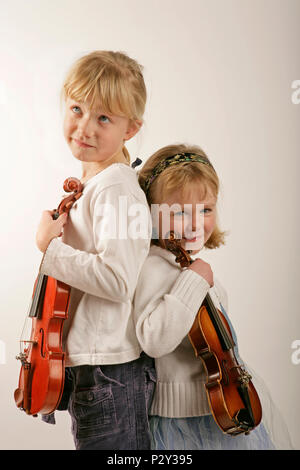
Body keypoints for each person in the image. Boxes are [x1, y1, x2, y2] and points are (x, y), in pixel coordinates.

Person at [35, 50, 155, 450]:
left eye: (104, 117)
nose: (84, 126)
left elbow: (119, 281)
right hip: (97, 369)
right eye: (77, 108)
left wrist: (49, 247)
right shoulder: (97, 184)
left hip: (112, 373)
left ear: (130, 128)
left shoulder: (118, 187)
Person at [134, 143, 288, 450]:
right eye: (179, 212)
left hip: (222, 407)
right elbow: (154, 339)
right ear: (151, 215)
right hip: (180, 421)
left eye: (206, 209)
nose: (195, 224)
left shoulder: (194, 267)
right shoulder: (153, 267)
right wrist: (193, 280)